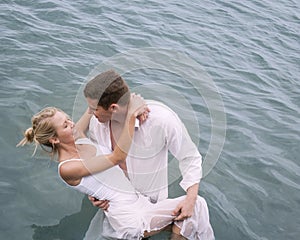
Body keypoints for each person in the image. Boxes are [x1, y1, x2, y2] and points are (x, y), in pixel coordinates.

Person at [17, 95, 214, 239]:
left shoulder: (78, 140)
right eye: (65, 125)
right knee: (196, 208)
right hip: (129, 217)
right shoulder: (67, 168)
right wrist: (131, 116)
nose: (71, 123)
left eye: (67, 118)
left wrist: (129, 100)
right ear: (54, 139)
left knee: (192, 210)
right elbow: (118, 156)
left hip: (138, 202)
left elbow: (91, 109)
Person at [83, 69, 214, 239]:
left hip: (151, 203)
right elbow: (98, 163)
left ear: (113, 108)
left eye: (94, 109)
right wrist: (94, 194)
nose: (91, 114)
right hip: (117, 204)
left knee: (195, 209)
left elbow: (189, 157)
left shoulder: (161, 120)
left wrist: (190, 198)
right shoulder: (97, 124)